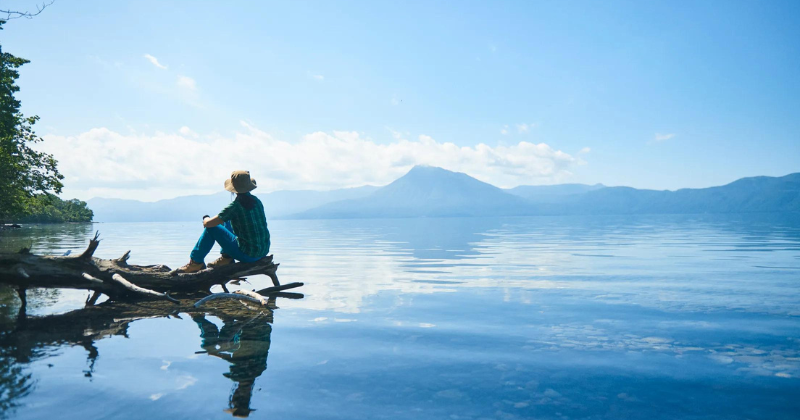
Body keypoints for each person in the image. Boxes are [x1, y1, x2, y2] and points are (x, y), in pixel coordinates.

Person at [175, 170, 271, 273]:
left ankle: (195, 262)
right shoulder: (257, 201)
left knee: (211, 228)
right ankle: (226, 258)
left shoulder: (235, 206)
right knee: (227, 221)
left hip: (248, 255)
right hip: (263, 251)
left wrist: (205, 218)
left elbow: (209, 224)